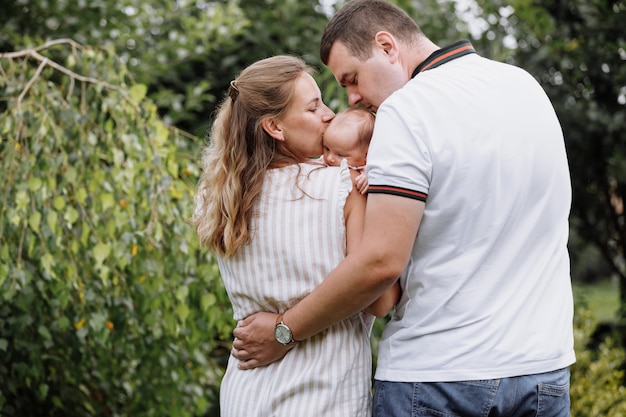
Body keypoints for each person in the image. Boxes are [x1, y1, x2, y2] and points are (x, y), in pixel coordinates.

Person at [231, 1, 575, 416]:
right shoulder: (526, 87)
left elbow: (379, 263)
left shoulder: (406, 110)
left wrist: (286, 329)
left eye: (352, 79)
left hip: (437, 376)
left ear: (387, 46)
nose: (353, 99)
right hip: (543, 371)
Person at [192, 55, 397, 416]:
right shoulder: (342, 188)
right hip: (326, 398)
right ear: (275, 127)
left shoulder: (218, 198)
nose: (330, 114)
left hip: (245, 394)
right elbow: (381, 301)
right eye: (314, 107)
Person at [321, 107, 374, 194]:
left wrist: (370, 179)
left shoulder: (369, 171)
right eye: (327, 149)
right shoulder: (323, 162)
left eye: (340, 155)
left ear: (366, 156)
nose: (330, 158)